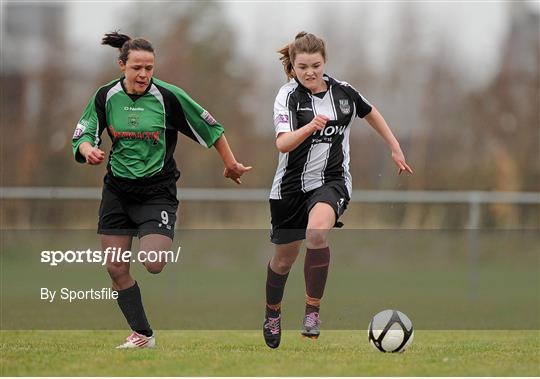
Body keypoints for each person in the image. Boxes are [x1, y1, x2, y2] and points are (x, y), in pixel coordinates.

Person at [71, 31, 251, 349]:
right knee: (115, 268)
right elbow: (84, 133)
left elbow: (212, 128)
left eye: (149, 68)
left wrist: (231, 163)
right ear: (122, 65)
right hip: (117, 192)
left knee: (153, 261)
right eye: (137, 68)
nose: (143, 74)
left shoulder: (169, 97)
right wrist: (88, 151)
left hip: (157, 192)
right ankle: (143, 335)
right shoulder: (105, 96)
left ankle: (143, 330)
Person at [262, 32, 413, 348]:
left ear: (324, 62)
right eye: (302, 66)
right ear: (293, 65)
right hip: (289, 189)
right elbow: (282, 143)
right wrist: (309, 127)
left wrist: (395, 146)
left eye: (315, 65)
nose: (310, 72)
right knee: (283, 261)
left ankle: (312, 312)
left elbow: (371, 112)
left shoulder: (343, 93)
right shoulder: (287, 97)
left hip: (332, 182)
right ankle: (272, 311)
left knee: (317, 233)